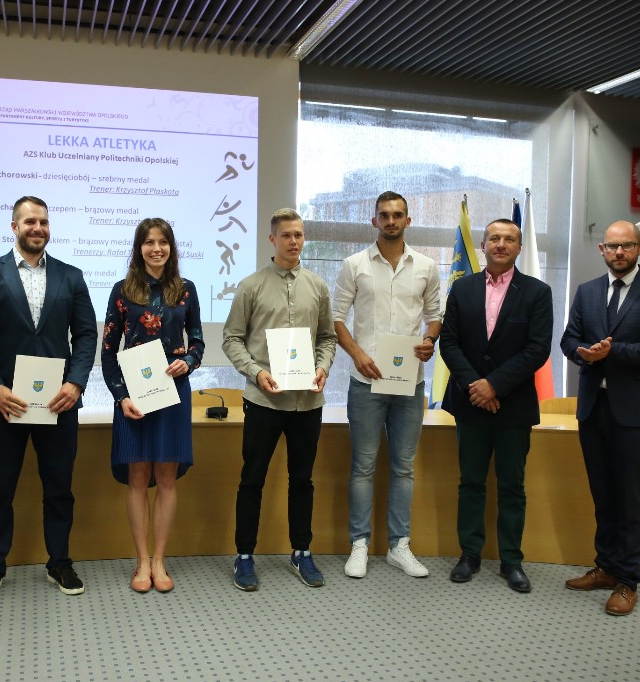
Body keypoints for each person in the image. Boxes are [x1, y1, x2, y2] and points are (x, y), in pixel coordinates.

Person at [0, 196, 97, 606]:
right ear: (14, 226)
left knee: (59, 488)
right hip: (7, 403)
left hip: (59, 403)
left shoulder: (71, 277)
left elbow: (86, 335)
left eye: (43, 221)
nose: (38, 228)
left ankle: (60, 562)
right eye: (30, 221)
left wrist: (75, 384)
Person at [560, 220, 640, 616]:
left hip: (636, 412)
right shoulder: (588, 291)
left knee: (630, 497)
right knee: (603, 493)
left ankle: (628, 580)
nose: (619, 252)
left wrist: (613, 351)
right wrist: (583, 353)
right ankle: (607, 567)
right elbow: (568, 339)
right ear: (602, 250)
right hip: (593, 407)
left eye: (627, 245)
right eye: (612, 246)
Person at [222, 208, 337, 591]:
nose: (294, 241)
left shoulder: (318, 287)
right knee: (252, 479)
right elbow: (232, 339)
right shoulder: (251, 286)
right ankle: (244, 556)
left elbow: (327, 338)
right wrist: (257, 373)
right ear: (272, 239)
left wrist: (322, 367)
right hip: (264, 401)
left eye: (299, 235)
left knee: (302, 480)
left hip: (307, 403)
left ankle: (301, 551)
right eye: (286, 235)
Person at [439, 218, 552, 593]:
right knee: (470, 483)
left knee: (512, 486)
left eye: (509, 239)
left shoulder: (537, 292)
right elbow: (449, 342)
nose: (501, 244)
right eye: (494, 238)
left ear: (519, 248)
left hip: (513, 405)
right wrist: (477, 386)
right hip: (470, 402)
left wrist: (495, 385)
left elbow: (538, 349)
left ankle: (511, 561)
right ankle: (469, 554)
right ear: (483, 245)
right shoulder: (462, 288)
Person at [332, 191, 441, 579]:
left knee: (404, 468)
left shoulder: (426, 266)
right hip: (366, 380)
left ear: (408, 221)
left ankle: (399, 546)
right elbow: (336, 318)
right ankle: (359, 544)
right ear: (374, 220)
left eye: (397, 215)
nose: (391, 220)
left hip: (410, 383)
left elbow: (434, 316)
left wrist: (429, 341)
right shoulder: (354, 265)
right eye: (384, 215)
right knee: (363, 466)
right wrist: (357, 354)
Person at [101, 218, 204, 593]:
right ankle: (141, 561)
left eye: (163, 242)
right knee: (137, 478)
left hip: (173, 393)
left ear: (171, 247)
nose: (156, 248)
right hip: (134, 398)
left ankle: (160, 560)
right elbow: (108, 351)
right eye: (149, 242)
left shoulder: (186, 290)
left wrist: (188, 362)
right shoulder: (122, 290)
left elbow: (198, 343)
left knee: (166, 478)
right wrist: (121, 397)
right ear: (139, 248)